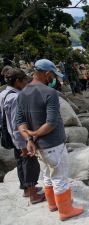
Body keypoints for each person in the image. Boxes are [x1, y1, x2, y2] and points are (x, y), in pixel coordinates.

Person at [16, 59, 84, 221]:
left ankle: (53, 204)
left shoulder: (23, 93)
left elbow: (20, 122)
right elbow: (51, 123)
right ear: (46, 73)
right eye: (52, 75)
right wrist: (35, 135)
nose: (53, 78)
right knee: (60, 176)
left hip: (39, 146)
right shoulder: (49, 93)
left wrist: (30, 138)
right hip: (53, 143)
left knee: (47, 173)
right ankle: (66, 210)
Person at [0, 68, 44, 204]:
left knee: (20, 162)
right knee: (30, 163)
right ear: (18, 81)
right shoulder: (16, 97)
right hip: (20, 137)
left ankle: (26, 189)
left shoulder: (4, 94)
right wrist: (25, 142)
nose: (27, 82)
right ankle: (34, 196)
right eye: (24, 80)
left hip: (10, 135)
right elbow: (16, 124)